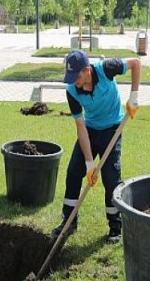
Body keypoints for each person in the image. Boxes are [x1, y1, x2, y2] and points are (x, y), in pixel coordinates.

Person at [52, 49, 141, 244]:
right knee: (74, 171)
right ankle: (69, 220)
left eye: (76, 76)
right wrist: (89, 163)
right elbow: (81, 128)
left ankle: (115, 226)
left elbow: (135, 63)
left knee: (111, 178)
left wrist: (134, 96)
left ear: (87, 70)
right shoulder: (72, 91)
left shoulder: (107, 69)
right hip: (90, 130)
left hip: (112, 129)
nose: (73, 81)